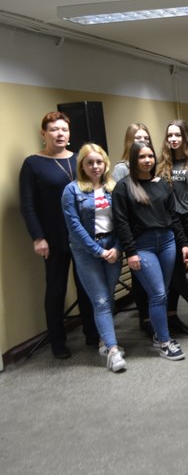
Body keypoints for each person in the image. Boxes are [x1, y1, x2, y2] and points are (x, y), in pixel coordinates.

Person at [20, 111, 99, 359]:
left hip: (83, 236)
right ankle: (57, 341)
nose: (59, 134)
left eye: (64, 129)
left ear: (69, 133)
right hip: (53, 239)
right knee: (56, 290)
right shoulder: (32, 164)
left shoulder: (79, 159)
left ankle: (92, 333)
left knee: (86, 287)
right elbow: (28, 205)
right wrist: (38, 237)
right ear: (43, 134)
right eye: (54, 129)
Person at [112, 141, 188, 361]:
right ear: (133, 160)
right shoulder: (124, 187)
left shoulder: (162, 184)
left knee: (162, 292)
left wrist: (184, 243)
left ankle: (159, 334)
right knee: (157, 294)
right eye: (141, 157)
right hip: (142, 246)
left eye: (150, 156)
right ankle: (165, 342)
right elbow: (121, 223)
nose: (147, 160)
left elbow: (173, 217)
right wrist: (131, 252)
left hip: (167, 242)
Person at [61, 144, 126, 371]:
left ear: (105, 164)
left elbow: (122, 221)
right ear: (82, 166)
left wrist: (117, 248)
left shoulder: (113, 188)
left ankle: (104, 341)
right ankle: (113, 350)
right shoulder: (71, 190)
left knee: (108, 296)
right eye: (90, 163)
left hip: (112, 247)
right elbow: (74, 227)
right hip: (86, 250)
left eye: (99, 162)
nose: (95, 166)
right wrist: (98, 251)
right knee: (100, 300)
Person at [156, 120, 188, 335]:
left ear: (185, 137)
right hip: (173, 223)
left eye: (177, 135)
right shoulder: (162, 166)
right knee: (175, 274)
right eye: (170, 135)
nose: (174, 139)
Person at [111, 122, 154, 335]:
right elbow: (121, 206)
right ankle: (145, 319)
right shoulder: (121, 168)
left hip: (152, 230)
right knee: (139, 279)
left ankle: (157, 318)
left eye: (146, 138)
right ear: (130, 141)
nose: (143, 142)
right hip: (135, 234)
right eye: (138, 138)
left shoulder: (150, 163)